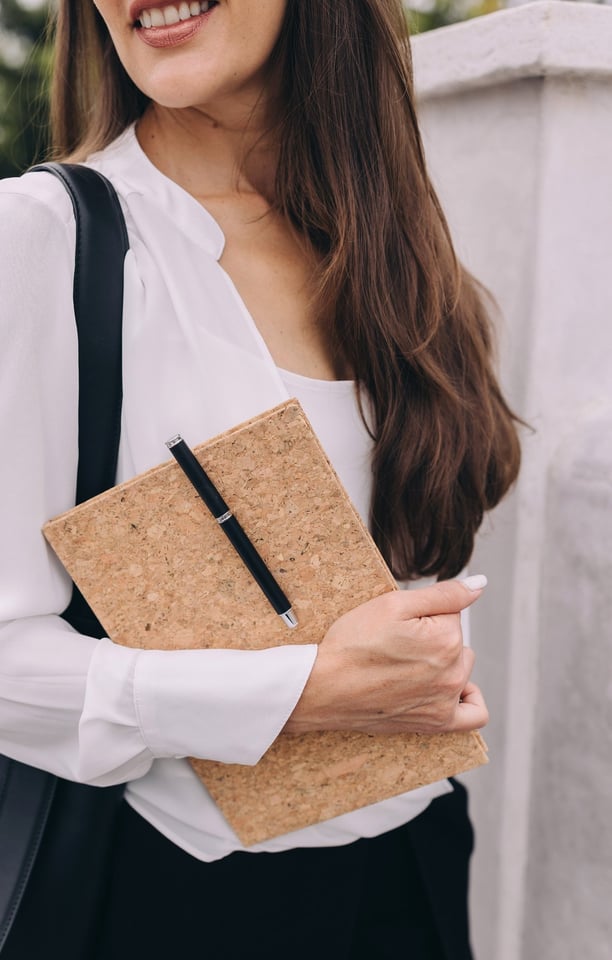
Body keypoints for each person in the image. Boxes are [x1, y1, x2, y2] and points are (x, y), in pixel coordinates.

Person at [0, 0, 521, 956]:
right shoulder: (41, 239)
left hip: (413, 860)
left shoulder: (390, 244)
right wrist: (298, 693)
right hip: (165, 894)